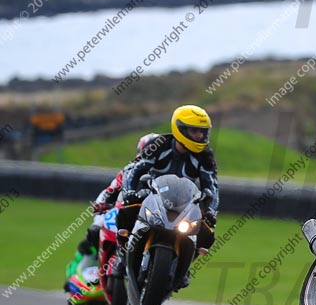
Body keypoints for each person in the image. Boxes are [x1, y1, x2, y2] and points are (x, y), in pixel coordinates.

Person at [114, 105, 219, 289]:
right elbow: (135, 169)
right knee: (128, 210)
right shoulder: (159, 144)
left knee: (207, 231)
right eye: (195, 131)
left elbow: (212, 185)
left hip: (184, 202)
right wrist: (129, 192)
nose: (200, 136)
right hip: (151, 194)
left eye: (203, 132)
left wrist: (211, 211)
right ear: (180, 129)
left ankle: (184, 267)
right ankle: (122, 253)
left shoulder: (206, 155)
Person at [63, 133, 159, 293]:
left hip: (154, 219)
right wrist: (98, 217)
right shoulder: (129, 170)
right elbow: (109, 191)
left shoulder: (168, 172)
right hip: (126, 214)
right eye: (148, 151)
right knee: (91, 238)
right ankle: (75, 278)